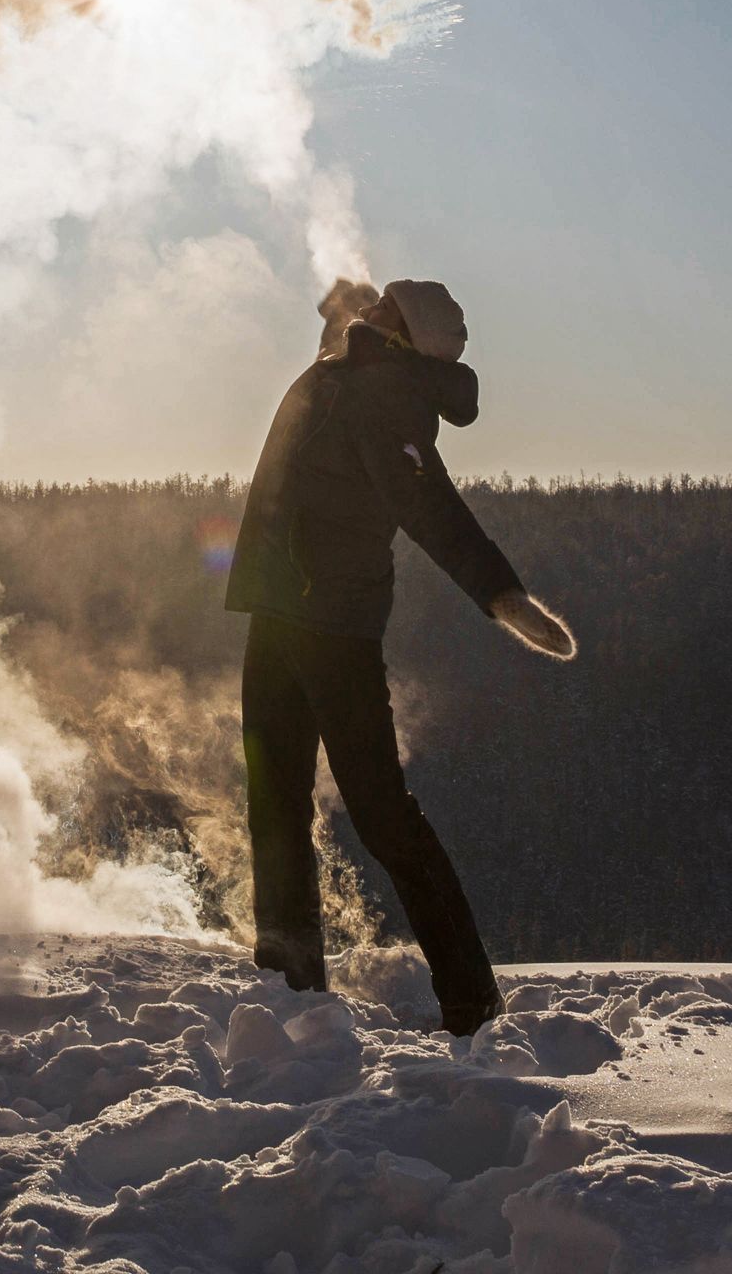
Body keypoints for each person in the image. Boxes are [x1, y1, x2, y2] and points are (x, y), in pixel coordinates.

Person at [224, 278, 574, 1036]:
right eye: (374, 301)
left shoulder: (390, 398)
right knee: (273, 804)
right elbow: (338, 334)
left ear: (406, 337)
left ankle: (470, 999)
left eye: (386, 308)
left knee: (385, 819)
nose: (372, 309)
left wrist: (502, 597)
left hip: (334, 630)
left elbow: (432, 508)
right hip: (277, 615)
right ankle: (289, 984)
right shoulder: (352, 365)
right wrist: (335, 302)